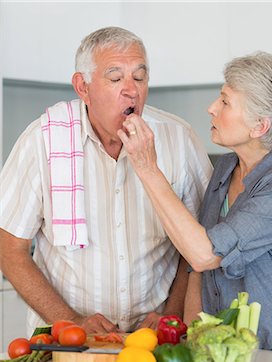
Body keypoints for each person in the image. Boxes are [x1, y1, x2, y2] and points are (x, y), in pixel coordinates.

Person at [0, 26, 213, 337]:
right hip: (65, 341)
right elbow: (9, 248)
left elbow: (198, 247)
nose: (132, 90)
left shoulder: (179, 139)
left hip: (156, 338)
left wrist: (172, 312)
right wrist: (70, 321)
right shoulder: (42, 140)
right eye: (115, 78)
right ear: (83, 87)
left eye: (140, 77)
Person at [118, 51, 272, 353]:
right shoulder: (226, 168)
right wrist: (191, 339)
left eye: (226, 102)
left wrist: (147, 166)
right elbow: (196, 268)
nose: (212, 108)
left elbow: (205, 254)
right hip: (223, 355)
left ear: (260, 126)